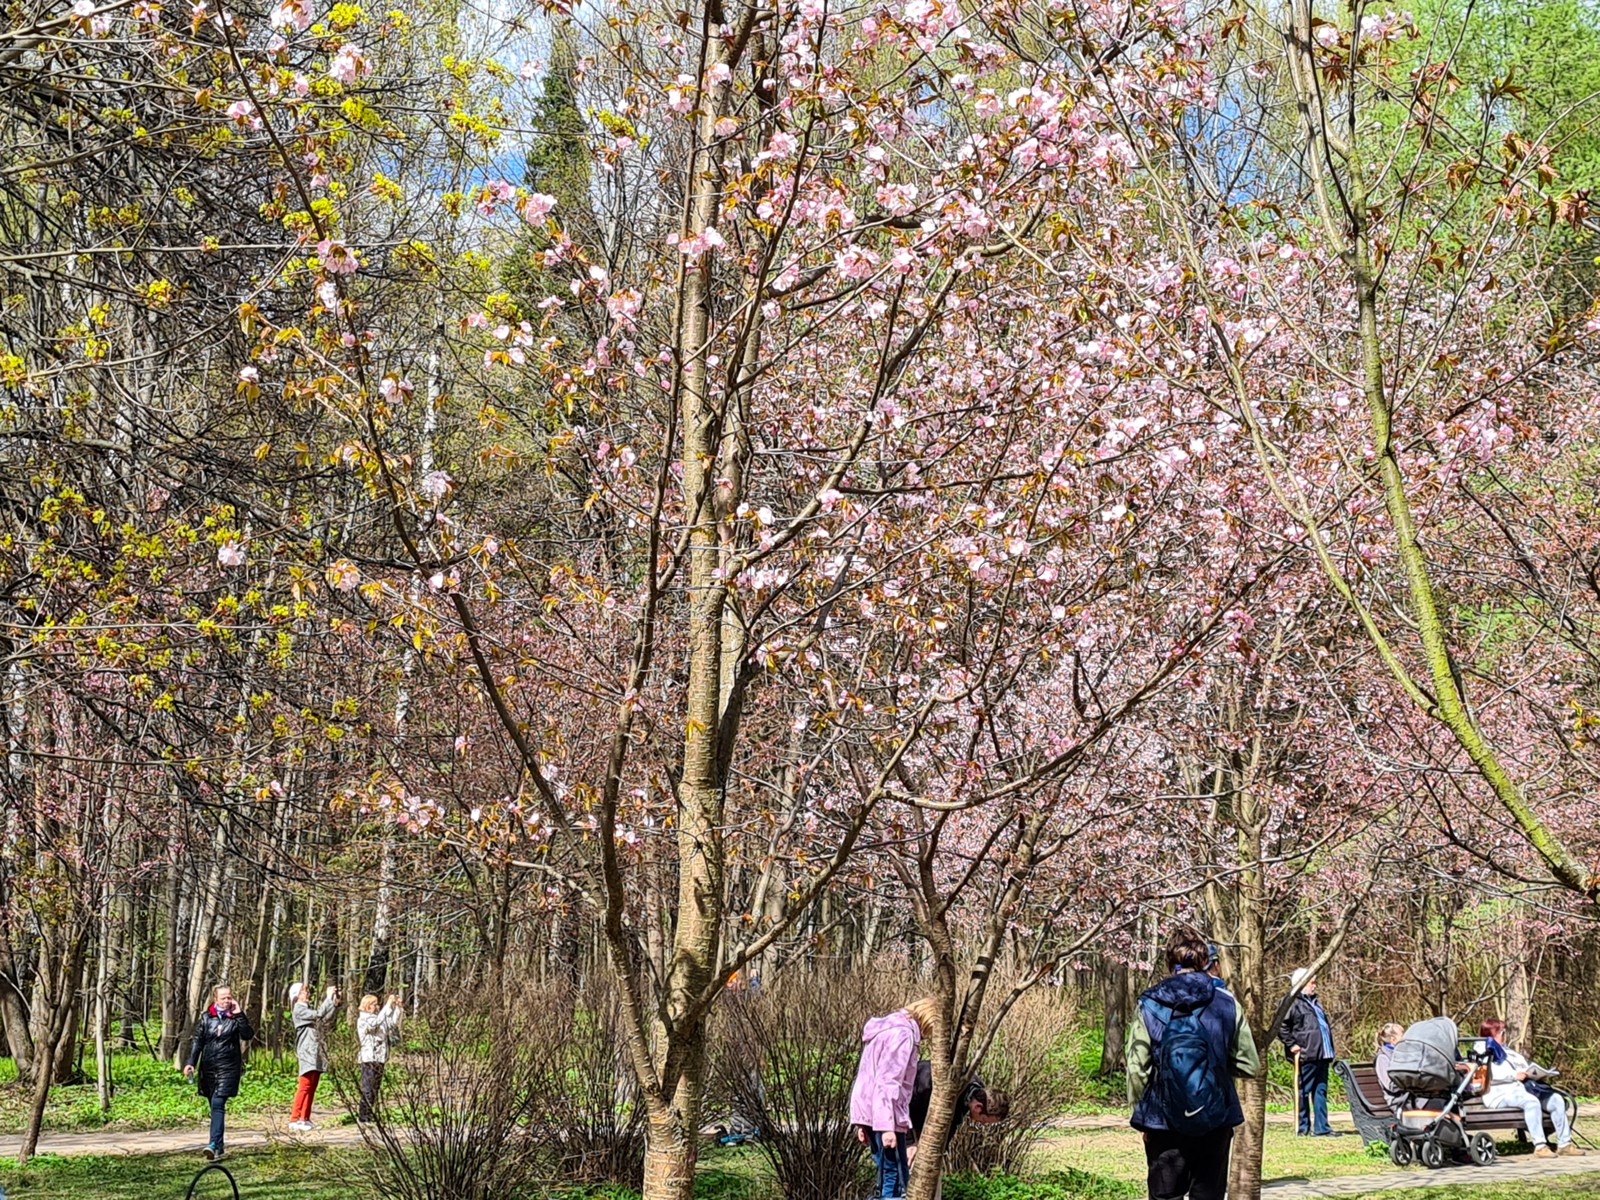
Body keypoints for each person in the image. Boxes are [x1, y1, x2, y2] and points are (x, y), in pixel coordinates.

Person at [1127, 927, 1259, 1200]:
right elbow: (1249, 1064)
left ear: (1169, 961)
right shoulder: (1226, 1002)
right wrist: (1216, 1063)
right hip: (1215, 1119)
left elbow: (1137, 1068)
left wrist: (1142, 1117)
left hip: (1162, 1123)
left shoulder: (1149, 1003)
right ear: (1204, 961)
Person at [849, 996, 939, 1199]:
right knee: (894, 1178)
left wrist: (864, 1122)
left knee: (890, 1176)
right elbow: (887, 1082)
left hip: (874, 1111)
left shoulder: (887, 1029)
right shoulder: (903, 1035)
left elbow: (868, 1077)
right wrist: (887, 1127)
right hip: (885, 1115)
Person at [1478, 1018, 1585, 1158]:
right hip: (1500, 1094)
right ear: (1493, 1033)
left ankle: (1564, 1144)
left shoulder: (1509, 1051)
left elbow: (1524, 1068)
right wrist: (1513, 1075)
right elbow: (1485, 1075)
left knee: (1556, 1099)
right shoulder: (1482, 1051)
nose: (1505, 1035)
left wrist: (1536, 1075)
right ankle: (1540, 1146)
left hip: (1522, 1089)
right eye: (1502, 1032)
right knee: (1531, 1102)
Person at [183, 984, 254, 1161]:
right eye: (223, 998)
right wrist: (191, 1062)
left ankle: (213, 1144)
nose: (227, 1000)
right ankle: (219, 1147)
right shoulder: (206, 1018)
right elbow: (198, 1042)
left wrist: (239, 1014)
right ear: (216, 999)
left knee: (217, 1104)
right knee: (213, 1105)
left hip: (228, 1068)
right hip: (208, 1068)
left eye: (229, 997)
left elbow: (247, 1035)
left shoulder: (235, 1019)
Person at [1278, 969, 1336, 1136]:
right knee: (1303, 1091)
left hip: (1321, 1054)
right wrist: (1291, 1044)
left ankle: (1322, 1128)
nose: (1315, 985)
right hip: (1305, 1054)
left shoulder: (1315, 1002)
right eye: (1312, 982)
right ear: (1302, 983)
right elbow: (1281, 1025)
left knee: (1320, 1091)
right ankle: (1302, 1127)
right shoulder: (1290, 1001)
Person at [288, 981, 340, 1131]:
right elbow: (319, 1014)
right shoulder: (298, 1010)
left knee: (312, 1086)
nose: (307, 993)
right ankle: (295, 1118)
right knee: (304, 1085)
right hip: (307, 1051)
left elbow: (324, 1018)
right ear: (297, 996)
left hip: (315, 1051)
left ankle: (305, 1118)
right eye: (304, 991)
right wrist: (328, 997)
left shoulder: (306, 1010)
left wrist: (334, 1003)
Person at [356, 992, 403, 1124]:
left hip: (380, 1058)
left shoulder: (379, 1017)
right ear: (367, 1006)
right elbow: (374, 1024)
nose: (377, 1007)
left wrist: (397, 1008)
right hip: (369, 1058)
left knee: (375, 1088)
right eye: (374, 1004)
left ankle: (370, 1115)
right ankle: (363, 1116)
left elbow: (391, 1024)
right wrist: (388, 1005)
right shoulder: (363, 1019)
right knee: (368, 1089)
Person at [1373, 1023, 1406, 1116]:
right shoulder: (1383, 1058)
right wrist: (1411, 1082)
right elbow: (1391, 1086)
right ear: (1393, 1039)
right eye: (1403, 1035)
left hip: (1410, 1098)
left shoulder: (1404, 1054)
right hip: (1398, 1101)